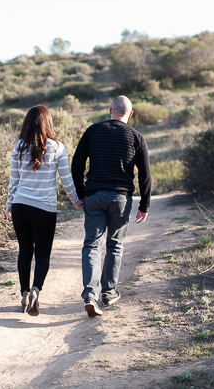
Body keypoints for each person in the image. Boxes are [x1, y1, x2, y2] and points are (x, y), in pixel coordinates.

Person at [71, 95, 151, 318]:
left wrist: (81, 194)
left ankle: (89, 295)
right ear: (130, 114)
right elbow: (145, 175)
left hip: (94, 195)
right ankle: (109, 292)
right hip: (121, 198)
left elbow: (76, 165)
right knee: (114, 245)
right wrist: (144, 205)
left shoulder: (93, 131)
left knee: (92, 245)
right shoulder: (137, 137)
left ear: (110, 110)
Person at [7, 105, 83, 316]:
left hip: (21, 206)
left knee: (24, 250)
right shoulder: (58, 147)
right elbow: (66, 181)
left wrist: (9, 205)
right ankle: (36, 290)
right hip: (45, 209)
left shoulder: (19, 146)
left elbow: (13, 181)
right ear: (48, 122)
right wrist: (76, 200)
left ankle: (23, 293)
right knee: (42, 255)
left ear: (27, 123)